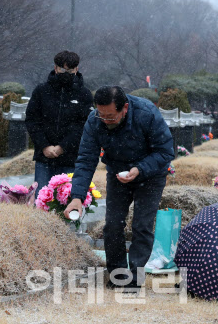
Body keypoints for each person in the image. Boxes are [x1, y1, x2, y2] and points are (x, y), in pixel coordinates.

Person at [64, 86, 174, 291]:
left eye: (111, 117)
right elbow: (86, 159)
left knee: (141, 225)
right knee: (113, 224)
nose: (105, 120)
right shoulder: (94, 120)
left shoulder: (146, 113)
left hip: (150, 174)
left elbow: (165, 152)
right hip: (117, 172)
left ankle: (134, 280)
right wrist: (77, 196)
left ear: (124, 108)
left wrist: (139, 169)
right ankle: (117, 275)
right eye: (101, 115)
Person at [25, 50, 93, 196]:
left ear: (77, 69)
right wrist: (44, 145)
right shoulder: (41, 91)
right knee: (42, 199)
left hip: (70, 158)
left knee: (66, 200)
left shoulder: (84, 94)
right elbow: (32, 120)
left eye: (70, 70)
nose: (66, 73)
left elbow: (83, 125)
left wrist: (63, 147)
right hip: (44, 157)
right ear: (56, 68)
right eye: (63, 69)